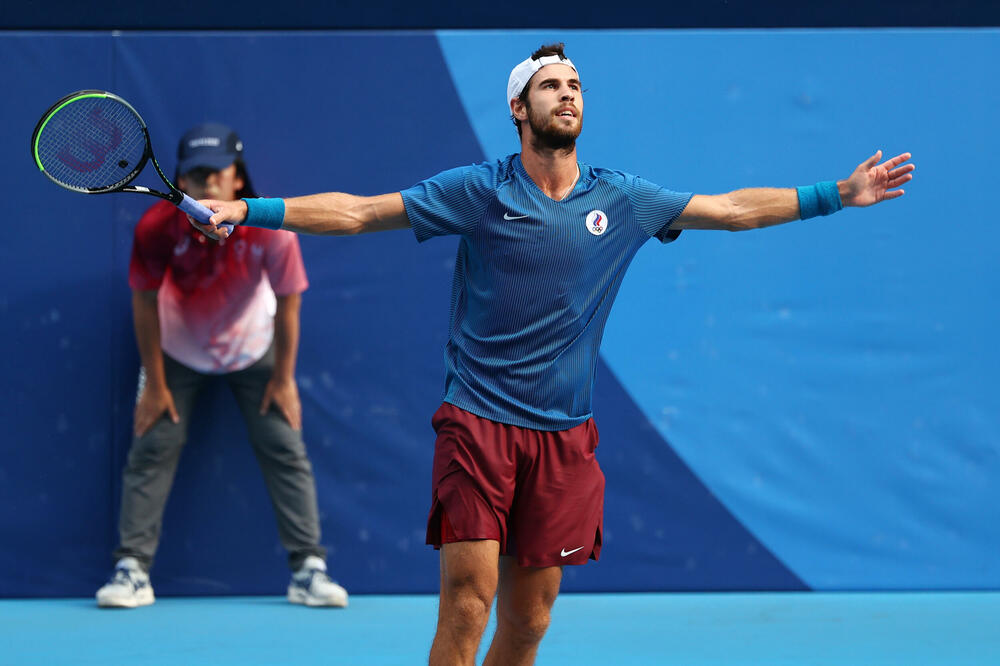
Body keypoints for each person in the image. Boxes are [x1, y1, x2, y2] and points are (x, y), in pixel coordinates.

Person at [191, 44, 913, 663]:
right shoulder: (478, 190)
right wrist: (247, 210)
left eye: (574, 87)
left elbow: (731, 210)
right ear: (518, 109)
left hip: (564, 438)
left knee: (529, 621)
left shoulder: (624, 199)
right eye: (550, 86)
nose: (567, 95)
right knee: (469, 605)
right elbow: (357, 212)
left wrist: (837, 195)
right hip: (475, 425)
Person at [96, 123, 348, 609]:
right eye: (196, 174)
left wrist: (283, 378)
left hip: (253, 348)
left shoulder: (271, 228)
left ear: (238, 180)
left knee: (284, 444)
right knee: (152, 446)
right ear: (181, 182)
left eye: (219, 173)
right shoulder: (155, 228)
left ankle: (308, 569)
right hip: (177, 350)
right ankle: (131, 570)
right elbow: (144, 302)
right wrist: (153, 381)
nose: (207, 182)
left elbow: (289, 303)